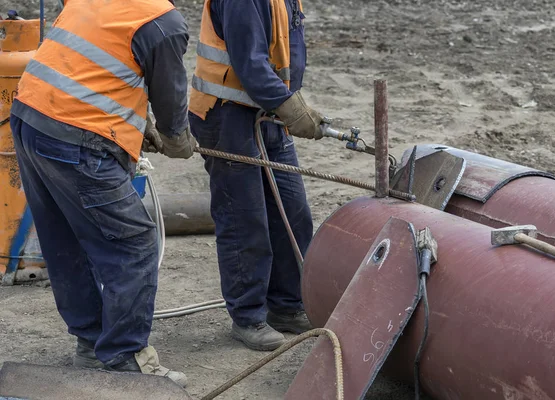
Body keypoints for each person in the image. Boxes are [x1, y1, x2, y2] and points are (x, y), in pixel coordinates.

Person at [10, 0, 195, 386]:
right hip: (75, 139)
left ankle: (91, 343)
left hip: (31, 116)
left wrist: (132, 119)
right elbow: (171, 100)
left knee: (64, 235)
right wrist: (177, 139)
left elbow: (95, 64)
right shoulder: (163, 23)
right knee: (134, 242)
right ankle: (125, 356)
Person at [188, 0, 324, 351]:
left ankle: (287, 305)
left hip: (268, 110)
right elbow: (250, 62)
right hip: (227, 115)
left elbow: (284, 49)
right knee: (244, 220)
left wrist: (290, 101)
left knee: (292, 212)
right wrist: (289, 105)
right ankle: (248, 316)